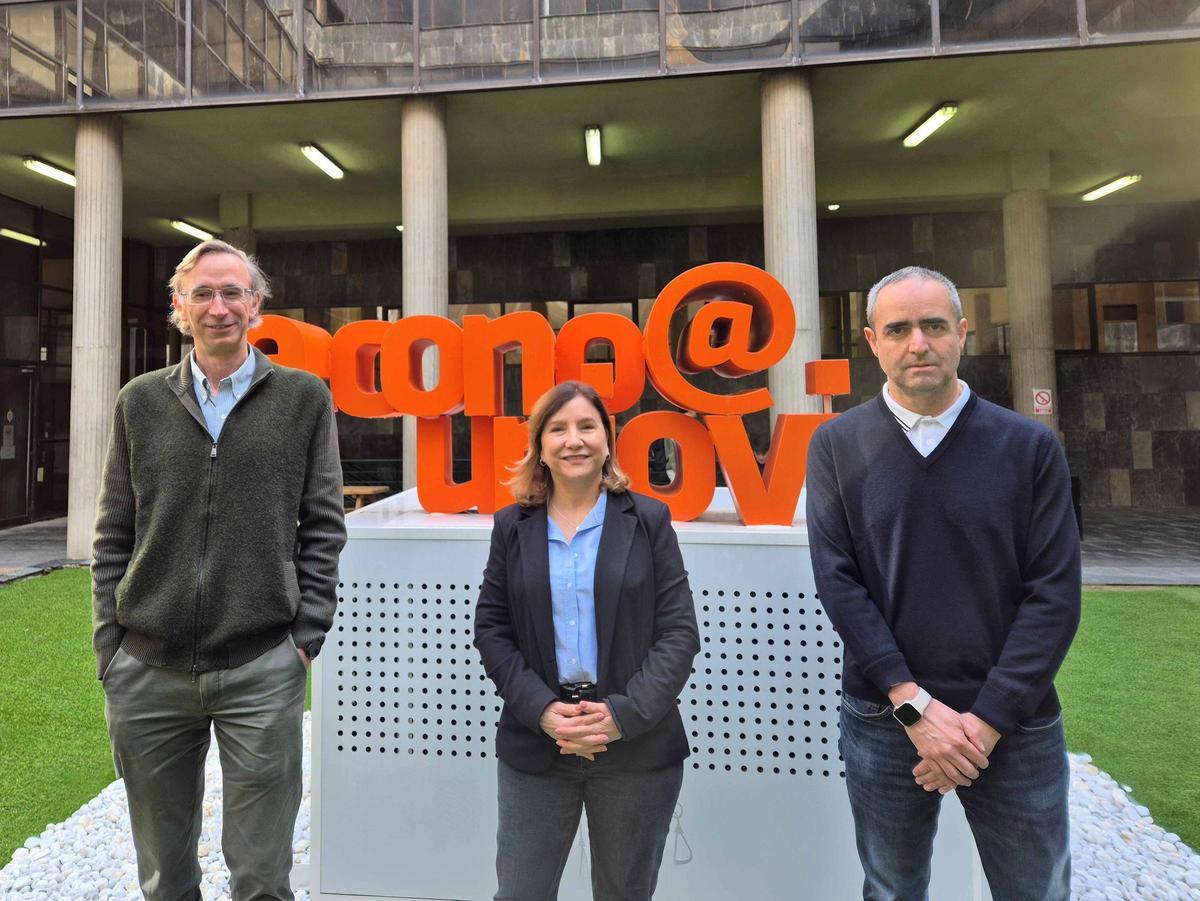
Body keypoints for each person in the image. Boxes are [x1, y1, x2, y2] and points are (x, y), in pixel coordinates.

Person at [805, 266, 1081, 901]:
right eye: (898, 329)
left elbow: (1055, 596)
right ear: (872, 342)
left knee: (1036, 891)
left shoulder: (1030, 448)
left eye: (933, 326)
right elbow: (840, 585)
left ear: (962, 332)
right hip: (884, 717)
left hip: (1015, 723)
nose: (917, 344)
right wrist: (915, 708)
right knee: (892, 889)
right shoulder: (836, 447)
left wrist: (982, 726)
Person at [92, 239, 347, 901]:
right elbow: (114, 530)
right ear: (179, 307)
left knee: (263, 876)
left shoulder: (303, 399)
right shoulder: (139, 402)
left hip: (262, 664)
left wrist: (304, 636)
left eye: (233, 291)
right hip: (147, 667)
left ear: (256, 304)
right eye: (203, 292)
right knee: (164, 876)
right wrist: (110, 649)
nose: (219, 306)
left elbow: (323, 525)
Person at [474, 380, 700, 901]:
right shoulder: (512, 526)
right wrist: (544, 710)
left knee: (625, 892)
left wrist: (621, 716)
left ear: (607, 438)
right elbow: (492, 629)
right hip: (539, 744)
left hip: (635, 744)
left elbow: (679, 631)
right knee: (521, 892)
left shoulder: (648, 520)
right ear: (540, 446)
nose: (573, 440)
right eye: (558, 429)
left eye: (586, 426)